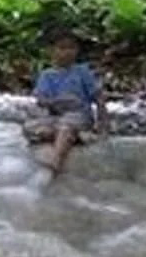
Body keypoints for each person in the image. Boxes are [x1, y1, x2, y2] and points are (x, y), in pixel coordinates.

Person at [22, 29, 108, 174]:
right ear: (51, 51)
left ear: (77, 50)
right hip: (56, 117)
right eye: (62, 48)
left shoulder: (82, 72)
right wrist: (54, 102)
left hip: (79, 115)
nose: (67, 52)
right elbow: (41, 100)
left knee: (66, 126)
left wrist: (102, 124)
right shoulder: (47, 75)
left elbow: (98, 98)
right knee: (30, 128)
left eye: (71, 48)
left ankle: (56, 159)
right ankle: (73, 136)